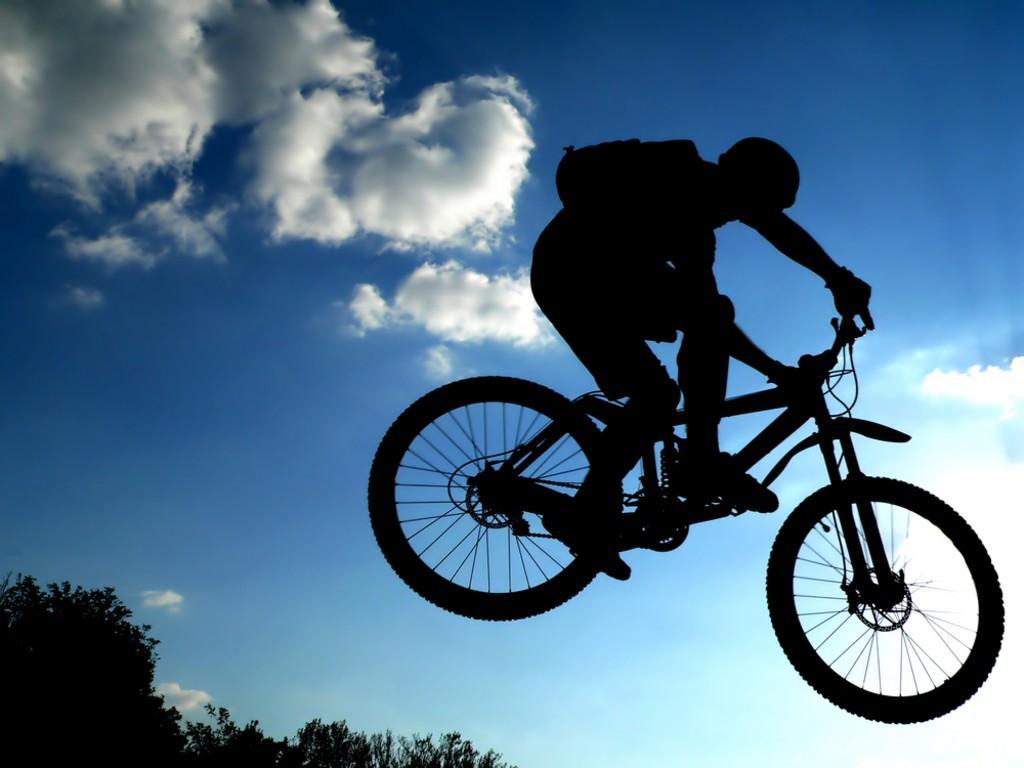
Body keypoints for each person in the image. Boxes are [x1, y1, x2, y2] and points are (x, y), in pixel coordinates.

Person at [530, 137, 873, 580]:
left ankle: (695, 464)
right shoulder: (679, 177)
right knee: (656, 395)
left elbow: (712, 323)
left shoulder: (699, 238)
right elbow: (764, 245)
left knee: (695, 335)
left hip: (600, 279)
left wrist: (830, 285)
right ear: (741, 181)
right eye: (759, 202)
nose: (755, 215)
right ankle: (635, 491)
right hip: (572, 274)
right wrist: (781, 363)